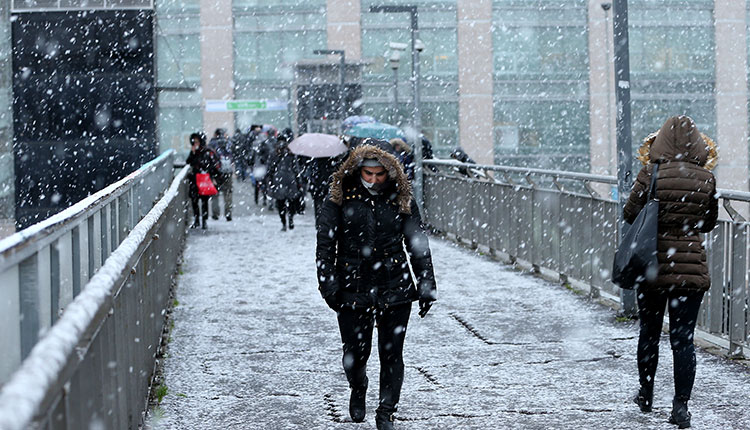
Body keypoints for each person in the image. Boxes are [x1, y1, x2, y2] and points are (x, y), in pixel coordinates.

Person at [316, 143, 437, 430]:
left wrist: (426, 282)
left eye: (379, 174)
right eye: (367, 173)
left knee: (392, 352)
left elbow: (417, 243)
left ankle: (386, 411)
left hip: (394, 282)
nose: (373, 180)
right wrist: (328, 283)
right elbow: (325, 245)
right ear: (357, 170)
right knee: (355, 355)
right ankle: (358, 387)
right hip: (352, 283)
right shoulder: (339, 197)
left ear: (389, 171)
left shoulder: (401, 197)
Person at [623, 115, 718, 429]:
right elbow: (707, 223)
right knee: (683, 340)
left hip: (651, 266)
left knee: (650, 333)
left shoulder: (651, 172)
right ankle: (680, 407)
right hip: (690, 271)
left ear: (660, 140)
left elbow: (629, 214)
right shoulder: (706, 178)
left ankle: (646, 394)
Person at [266, 128, 304, 231]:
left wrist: (269, 181)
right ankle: (291, 218)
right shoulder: (291, 153)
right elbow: (296, 169)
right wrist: (299, 182)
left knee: (280, 203)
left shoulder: (274, 153)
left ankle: (284, 223)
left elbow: (270, 169)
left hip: (278, 181)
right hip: (290, 180)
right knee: (291, 202)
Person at [186, 132, 220, 229]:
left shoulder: (207, 152)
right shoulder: (194, 152)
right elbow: (188, 162)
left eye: (197, 141)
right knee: (194, 201)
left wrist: (212, 177)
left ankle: (204, 221)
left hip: (204, 179)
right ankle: (197, 220)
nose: (196, 144)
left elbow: (211, 165)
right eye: (194, 142)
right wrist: (193, 153)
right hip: (195, 179)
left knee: (204, 201)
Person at [208, 128, 234, 221]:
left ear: (215, 134)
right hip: (227, 172)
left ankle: (215, 213)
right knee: (228, 193)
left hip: (216, 172)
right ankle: (228, 213)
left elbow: (209, 159)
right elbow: (233, 155)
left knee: (215, 194)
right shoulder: (228, 143)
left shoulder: (212, 144)